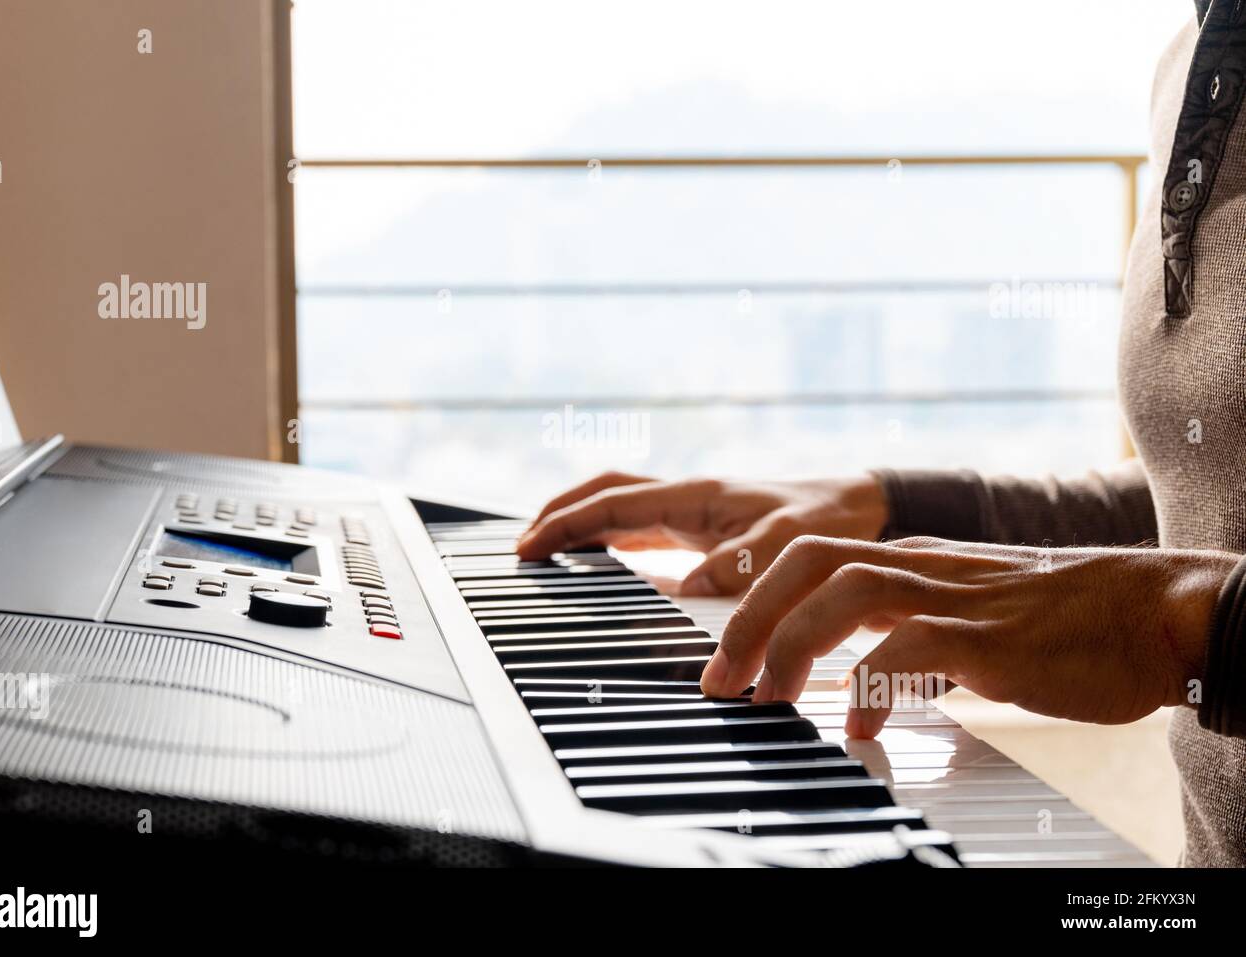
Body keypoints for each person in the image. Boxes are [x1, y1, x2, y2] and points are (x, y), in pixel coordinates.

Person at [517, 3, 1246, 867]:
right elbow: (1204, 508)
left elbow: (1189, 582)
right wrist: (891, 510)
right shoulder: (1193, 50)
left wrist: (1190, 625)